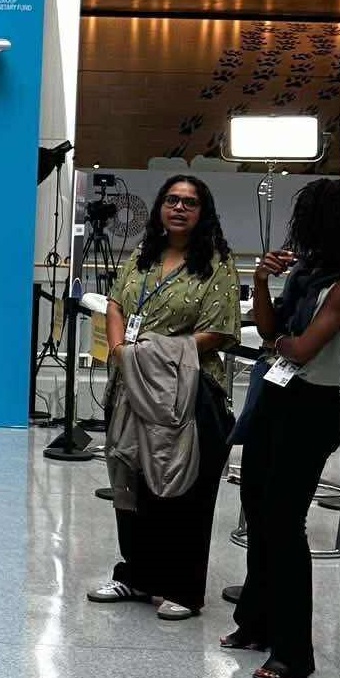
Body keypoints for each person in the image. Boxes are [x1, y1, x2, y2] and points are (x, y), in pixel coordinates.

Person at [222, 178, 340, 678]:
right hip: (277, 398)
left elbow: (300, 348)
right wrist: (260, 282)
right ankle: (255, 622)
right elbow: (270, 329)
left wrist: (279, 343)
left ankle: (294, 651)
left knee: (283, 522)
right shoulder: (309, 276)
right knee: (257, 507)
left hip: (312, 406)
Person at [88, 175, 240, 620]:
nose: (179, 208)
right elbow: (116, 304)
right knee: (131, 480)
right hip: (132, 387)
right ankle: (137, 576)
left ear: (202, 213)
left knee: (184, 487)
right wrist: (121, 351)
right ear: (160, 207)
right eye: (172, 199)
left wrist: (154, 354)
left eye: (190, 202)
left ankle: (183, 588)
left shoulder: (216, 265)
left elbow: (219, 331)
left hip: (186, 391)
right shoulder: (143, 254)